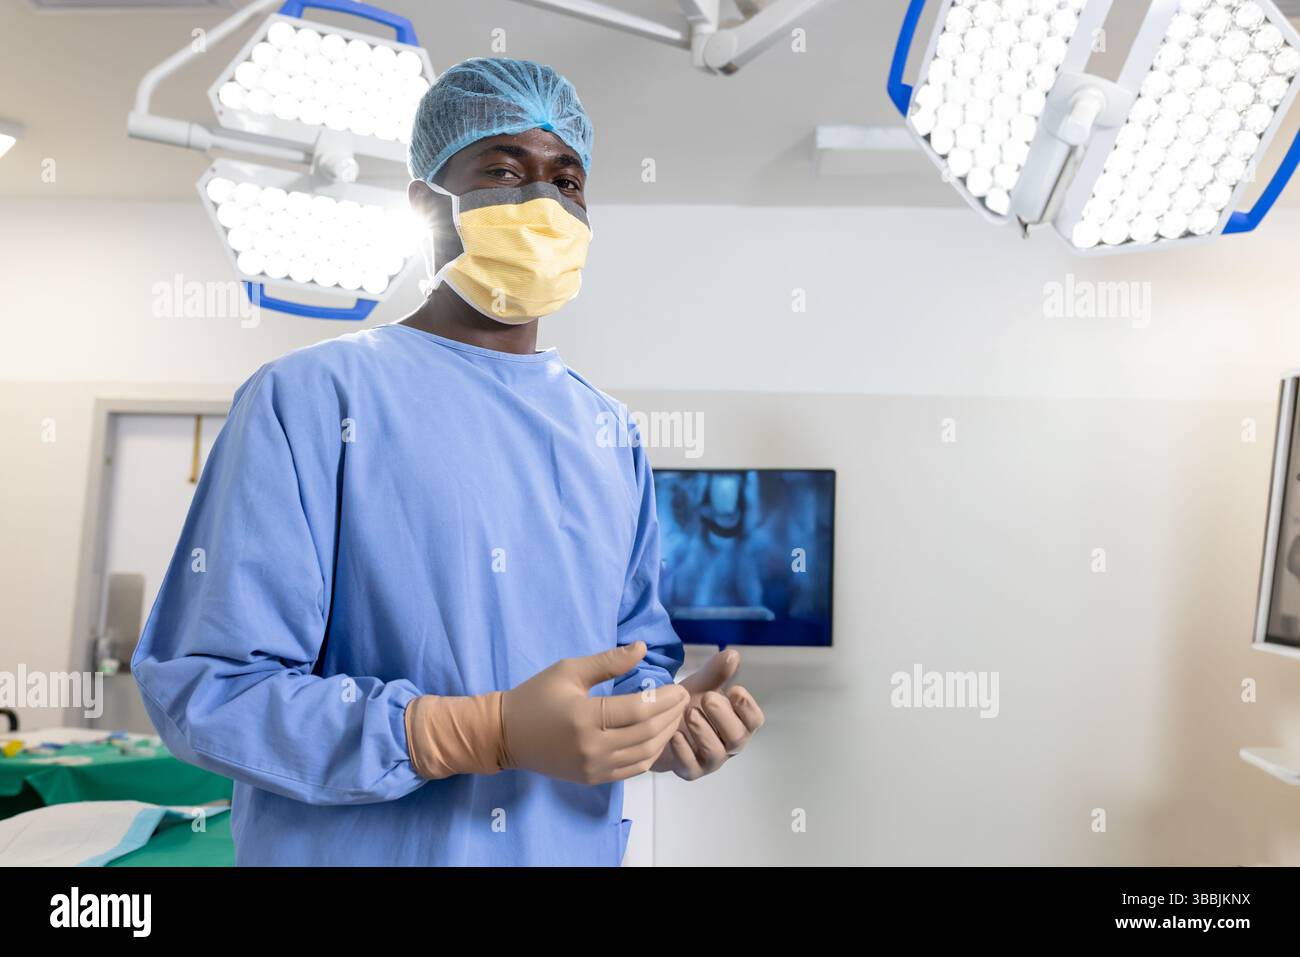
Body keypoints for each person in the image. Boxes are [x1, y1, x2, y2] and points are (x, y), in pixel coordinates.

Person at [132, 57, 764, 866]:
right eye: (505, 171)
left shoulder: (610, 434)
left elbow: (634, 662)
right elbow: (208, 689)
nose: (543, 202)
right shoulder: (314, 398)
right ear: (429, 204)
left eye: (566, 181)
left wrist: (666, 723)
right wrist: (467, 732)